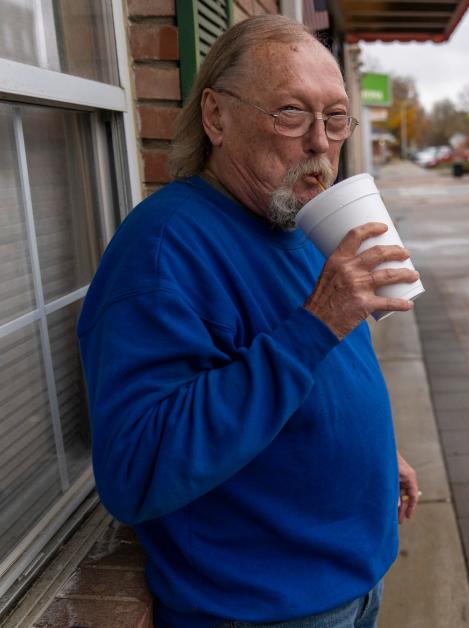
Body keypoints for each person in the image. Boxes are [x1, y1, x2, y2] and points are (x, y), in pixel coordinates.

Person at [77, 15, 420, 628]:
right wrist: (317, 323)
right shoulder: (163, 251)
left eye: (336, 118)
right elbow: (137, 469)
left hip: (353, 579)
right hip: (264, 609)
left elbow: (319, 367)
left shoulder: (294, 218)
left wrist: (376, 454)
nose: (320, 142)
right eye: (291, 112)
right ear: (216, 117)